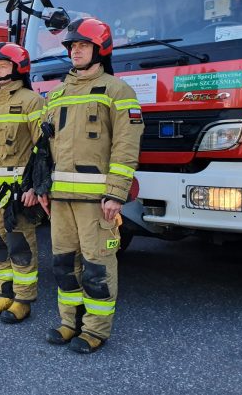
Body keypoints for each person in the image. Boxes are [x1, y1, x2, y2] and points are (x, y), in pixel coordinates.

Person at [40, 17, 143, 353]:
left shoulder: (117, 90)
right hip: (60, 199)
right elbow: (43, 148)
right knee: (63, 264)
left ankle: (96, 330)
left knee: (97, 266)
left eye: (83, 45)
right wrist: (41, 188)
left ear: (101, 49)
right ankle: (69, 322)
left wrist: (115, 194)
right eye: (72, 46)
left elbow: (126, 146)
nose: (75, 51)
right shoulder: (56, 94)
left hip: (96, 200)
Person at [0, 42, 45, 323]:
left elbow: (43, 148)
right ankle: (4, 293)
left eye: (3, 65)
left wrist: (33, 187)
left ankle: (23, 300)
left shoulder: (32, 101)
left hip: (17, 191)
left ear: (19, 67)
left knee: (20, 244)